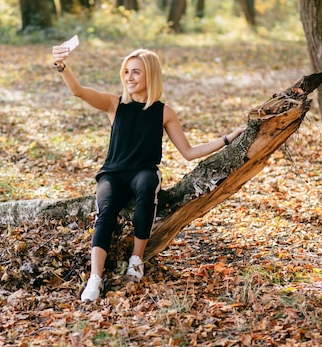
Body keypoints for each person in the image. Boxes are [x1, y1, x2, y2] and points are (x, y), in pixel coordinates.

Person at [51, 43, 245, 303]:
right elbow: (78, 91)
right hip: (113, 174)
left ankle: (136, 259)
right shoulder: (114, 104)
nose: (129, 78)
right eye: (126, 72)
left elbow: (188, 151)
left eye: (136, 72)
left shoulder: (164, 112)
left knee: (146, 185)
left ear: (150, 76)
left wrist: (227, 139)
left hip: (143, 172)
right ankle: (94, 278)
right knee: (105, 212)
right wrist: (61, 66)